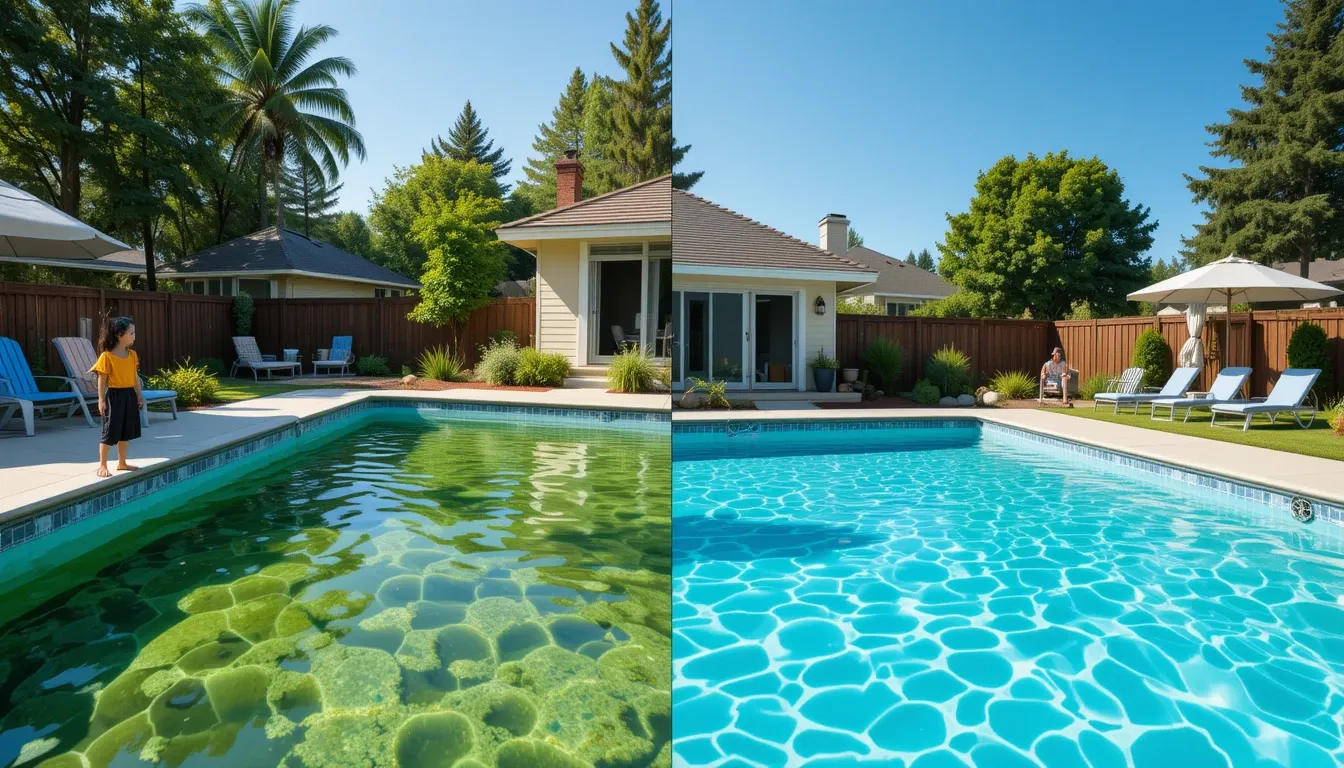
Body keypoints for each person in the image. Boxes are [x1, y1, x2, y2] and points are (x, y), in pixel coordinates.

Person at [91, 317, 144, 477]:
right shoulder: (107, 357)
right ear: (120, 335)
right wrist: (100, 399)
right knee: (110, 430)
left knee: (125, 430)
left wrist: (139, 394)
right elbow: (102, 379)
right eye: (131, 333)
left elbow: (134, 377)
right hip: (114, 396)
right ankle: (102, 465)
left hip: (129, 395)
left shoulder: (132, 355)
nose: (134, 336)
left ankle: (122, 462)